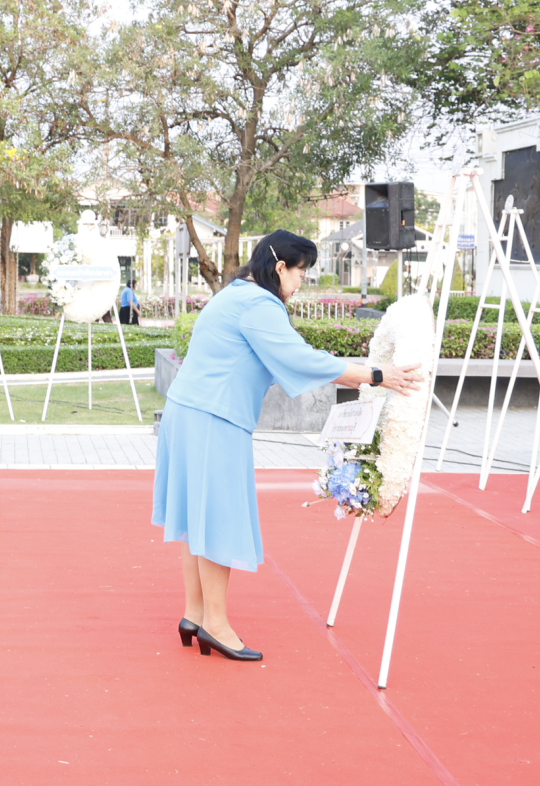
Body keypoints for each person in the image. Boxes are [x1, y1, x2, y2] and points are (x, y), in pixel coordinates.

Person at [155, 230, 422, 661]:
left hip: (187, 411)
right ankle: (215, 625)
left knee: (195, 517)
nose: (301, 284)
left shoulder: (234, 294)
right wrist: (375, 374)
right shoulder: (259, 304)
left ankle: (196, 614)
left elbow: (288, 355)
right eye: (300, 273)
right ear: (279, 267)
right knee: (217, 520)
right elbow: (300, 358)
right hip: (213, 419)